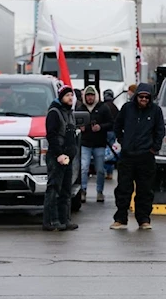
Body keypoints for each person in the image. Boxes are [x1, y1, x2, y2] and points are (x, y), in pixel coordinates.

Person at [111, 83, 165, 230]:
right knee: (123, 188)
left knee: (145, 190)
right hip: (127, 156)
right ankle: (121, 219)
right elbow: (117, 125)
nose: (144, 99)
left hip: (146, 157)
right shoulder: (127, 109)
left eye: (147, 97)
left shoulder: (156, 111)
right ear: (136, 96)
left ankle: (144, 220)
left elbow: (160, 131)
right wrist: (123, 141)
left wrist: (154, 148)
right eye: (141, 96)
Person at [43, 85, 79, 231]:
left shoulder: (69, 113)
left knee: (66, 190)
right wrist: (59, 154)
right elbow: (51, 135)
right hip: (56, 156)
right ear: (60, 97)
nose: (70, 97)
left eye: (71, 95)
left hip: (68, 157)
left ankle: (65, 219)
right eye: (67, 95)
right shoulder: (54, 112)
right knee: (53, 189)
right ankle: (51, 221)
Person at [76, 86, 113, 203]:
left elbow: (111, 123)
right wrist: (79, 128)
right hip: (85, 143)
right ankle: (83, 190)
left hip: (99, 143)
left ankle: (99, 191)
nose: (90, 97)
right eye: (88, 95)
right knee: (84, 167)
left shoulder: (103, 108)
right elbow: (73, 123)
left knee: (100, 169)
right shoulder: (80, 108)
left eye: (92, 95)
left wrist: (101, 127)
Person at [103, 89, 120, 180]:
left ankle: (105, 171)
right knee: (110, 152)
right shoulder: (115, 107)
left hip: (104, 132)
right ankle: (109, 172)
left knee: (104, 152)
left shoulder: (103, 107)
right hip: (112, 132)